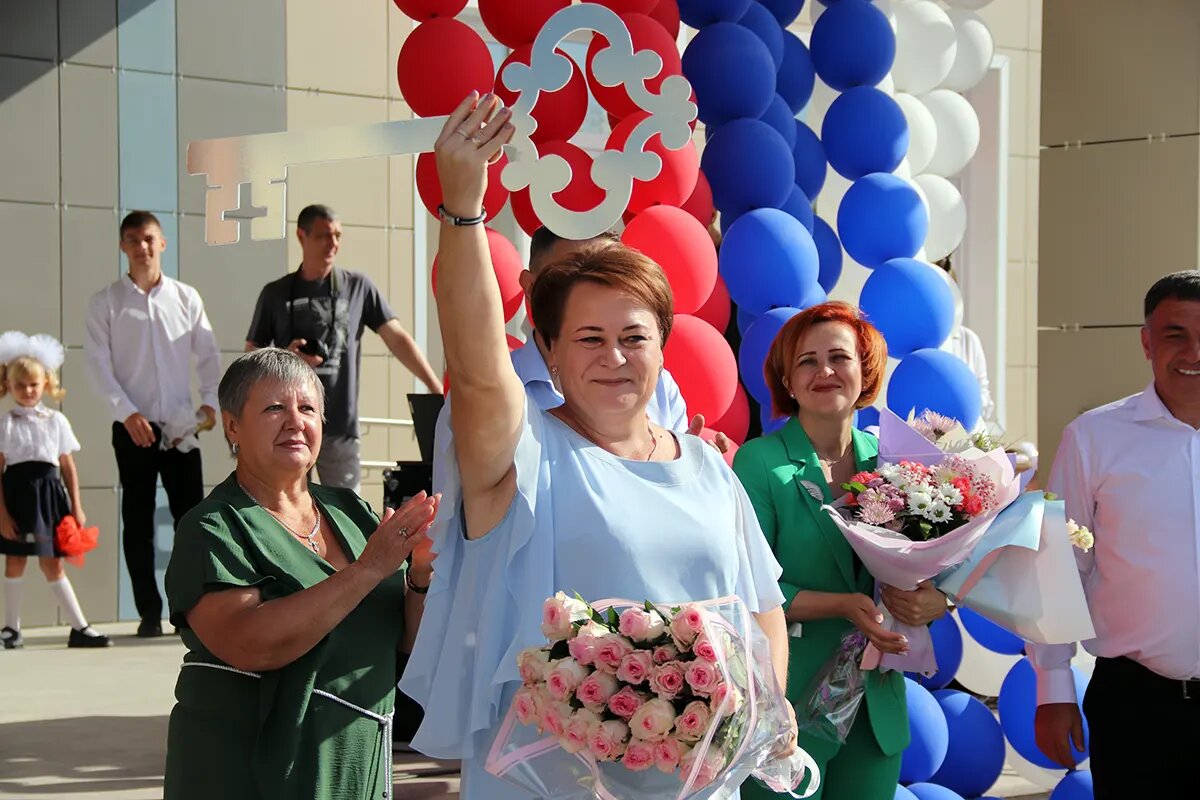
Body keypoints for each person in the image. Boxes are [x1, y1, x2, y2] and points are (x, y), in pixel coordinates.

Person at [401, 92, 794, 799]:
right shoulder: (526, 457)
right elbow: (477, 364)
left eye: (634, 337)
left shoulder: (707, 467)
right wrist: (464, 214)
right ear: (546, 350)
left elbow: (762, 609)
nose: (615, 356)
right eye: (589, 338)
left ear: (662, 347)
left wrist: (754, 715)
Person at [162, 348, 439, 800]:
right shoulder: (214, 526)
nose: (295, 422)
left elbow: (407, 642)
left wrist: (421, 572)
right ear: (232, 426)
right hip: (250, 770)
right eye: (274, 408)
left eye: (307, 408)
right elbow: (250, 643)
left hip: (353, 759)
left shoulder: (351, 511)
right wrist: (370, 569)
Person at [732, 302, 948, 800]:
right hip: (787, 704)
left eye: (838, 357)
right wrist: (842, 605)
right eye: (806, 361)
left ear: (864, 370)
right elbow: (746, 586)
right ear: (787, 380)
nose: (824, 371)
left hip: (876, 707)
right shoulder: (760, 462)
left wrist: (938, 601)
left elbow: (935, 565)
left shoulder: (898, 461)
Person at [1030, 271, 1200, 797]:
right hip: (1136, 706)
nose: (1193, 351)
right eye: (1176, 334)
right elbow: (1057, 569)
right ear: (1147, 342)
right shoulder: (1093, 439)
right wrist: (1053, 689)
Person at [85, 211, 221, 638]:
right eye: (132, 240)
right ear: (123, 247)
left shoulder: (186, 298)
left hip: (182, 426)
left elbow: (209, 355)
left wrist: (212, 405)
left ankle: (191, 610)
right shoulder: (106, 302)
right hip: (132, 427)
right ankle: (149, 612)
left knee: (191, 520)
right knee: (138, 519)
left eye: (148, 239)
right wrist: (126, 412)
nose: (141, 247)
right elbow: (97, 365)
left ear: (162, 243)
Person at [246, 204, 443, 493]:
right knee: (286, 509)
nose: (333, 243)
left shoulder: (357, 287)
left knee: (346, 515)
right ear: (302, 236)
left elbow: (397, 339)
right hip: (288, 428)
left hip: (339, 425)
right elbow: (251, 358)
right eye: (324, 236)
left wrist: (435, 386)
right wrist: (287, 358)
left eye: (338, 235)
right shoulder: (275, 293)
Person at [517, 226, 692, 432]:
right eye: (569, 275)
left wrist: (691, 457)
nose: (614, 358)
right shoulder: (499, 388)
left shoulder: (659, 384)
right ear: (530, 286)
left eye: (609, 273)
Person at [0, 333, 110, 649]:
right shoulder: (7, 423)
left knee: (53, 562)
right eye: (20, 385)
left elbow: (67, 466)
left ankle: (80, 627)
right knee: (15, 560)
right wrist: (2, 513)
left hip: (49, 497)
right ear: (9, 386)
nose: (28, 391)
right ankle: (11, 629)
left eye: (34, 384)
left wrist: (76, 506)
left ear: (46, 383)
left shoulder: (56, 421)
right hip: (17, 495)